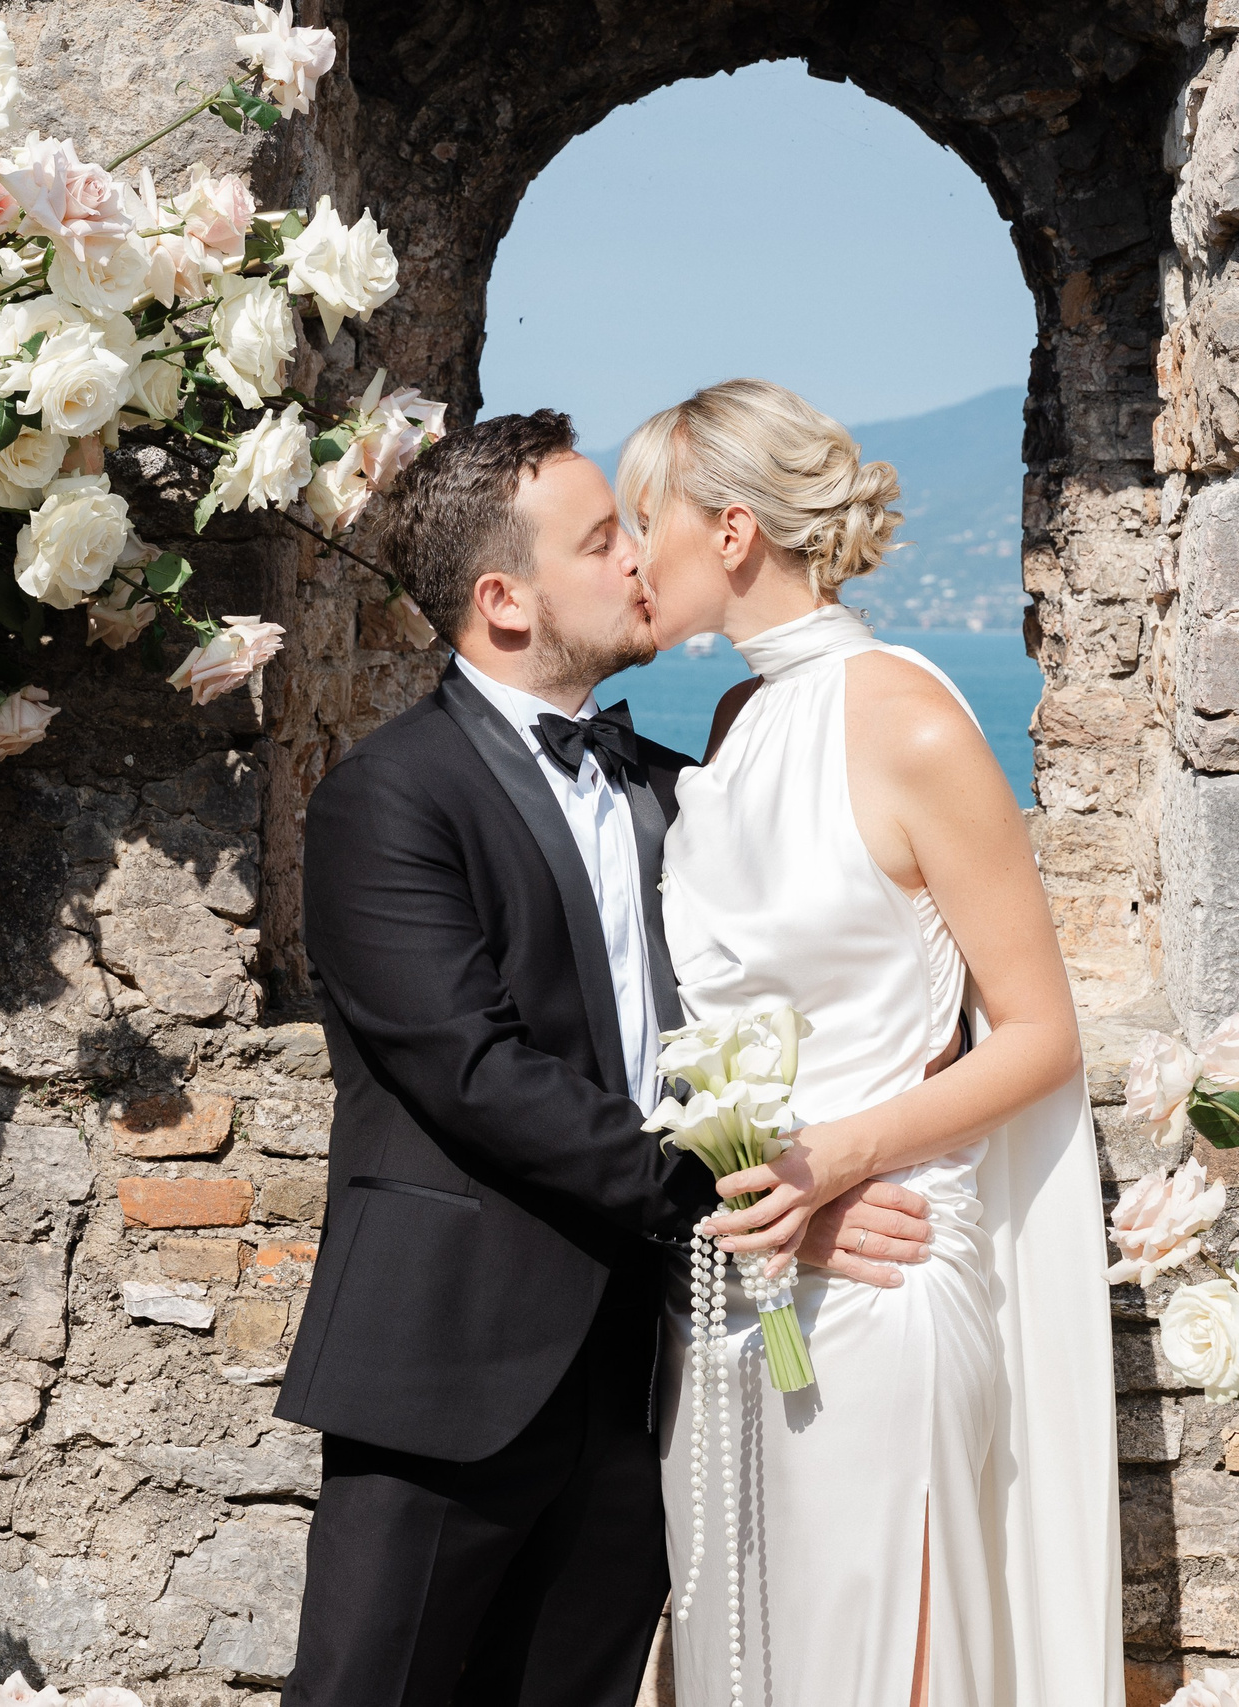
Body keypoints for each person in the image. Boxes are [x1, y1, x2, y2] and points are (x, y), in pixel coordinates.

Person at [278, 410, 931, 1707]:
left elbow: (803, 963)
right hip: (444, 1372)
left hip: (644, 1379)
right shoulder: (385, 798)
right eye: (601, 540)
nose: (641, 558)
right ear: (505, 601)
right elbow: (478, 1074)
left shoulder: (676, 788)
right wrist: (753, 1202)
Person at [617, 379, 1121, 1707]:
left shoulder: (905, 717)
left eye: (642, 519)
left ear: (731, 532)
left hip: (879, 1277)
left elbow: (1039, 1036)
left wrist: (829, 1161)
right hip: (736, 1295)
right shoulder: (734, 731)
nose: (628, 554)